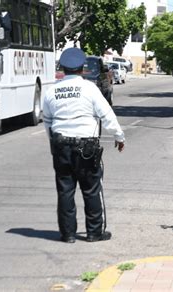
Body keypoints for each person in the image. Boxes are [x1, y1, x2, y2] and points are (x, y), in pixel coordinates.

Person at [43, 48, 125, 243]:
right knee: (92, 189)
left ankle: (68, 234)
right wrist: (119, 136)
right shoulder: (89, 89)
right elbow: (106, 114)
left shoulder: (52, 91)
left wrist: (53, 144)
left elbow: (47, 121)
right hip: (86, 146)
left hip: (61, 145)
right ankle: (94, 232)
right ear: (82, 69)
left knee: (65, 190)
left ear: (62, 68)